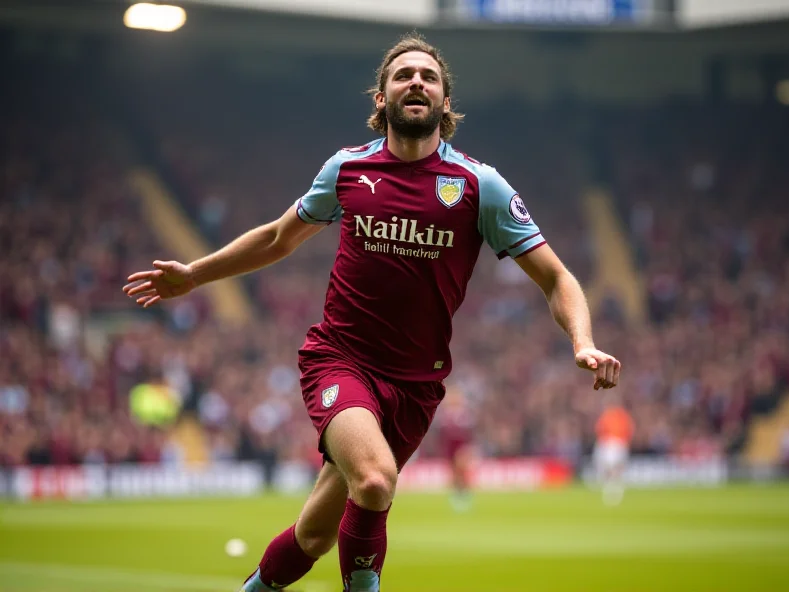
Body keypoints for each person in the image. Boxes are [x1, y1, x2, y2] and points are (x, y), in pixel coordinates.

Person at [123, 33, 621, 592]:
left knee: (315, 535)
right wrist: (194, 274)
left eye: (429, 77)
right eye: (403, 75)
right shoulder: (347, 170)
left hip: (416, 386)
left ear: (444, 103)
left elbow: (557, 276)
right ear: (380, 99)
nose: (417, 82)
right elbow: (277, 239)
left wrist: (582, 341)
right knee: (377, 481)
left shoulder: (480, 186)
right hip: (341, 362)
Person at [436, 387, 476, 512]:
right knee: (453, 473)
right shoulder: (445, 415)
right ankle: (456, 495)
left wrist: (468, 449)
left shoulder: (464, 414)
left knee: (462, 470)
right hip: (449, 448)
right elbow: (442, 434)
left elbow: (469, 434)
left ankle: (465, 494)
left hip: (461, 447)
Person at [593, 395, 634, 506]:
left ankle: (613, 489)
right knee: (612, 468)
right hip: (613, 443)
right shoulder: (619, 415)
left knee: (613, 469)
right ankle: (612, 488)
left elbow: (599, 430)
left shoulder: (614, 415)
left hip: (613, 443)